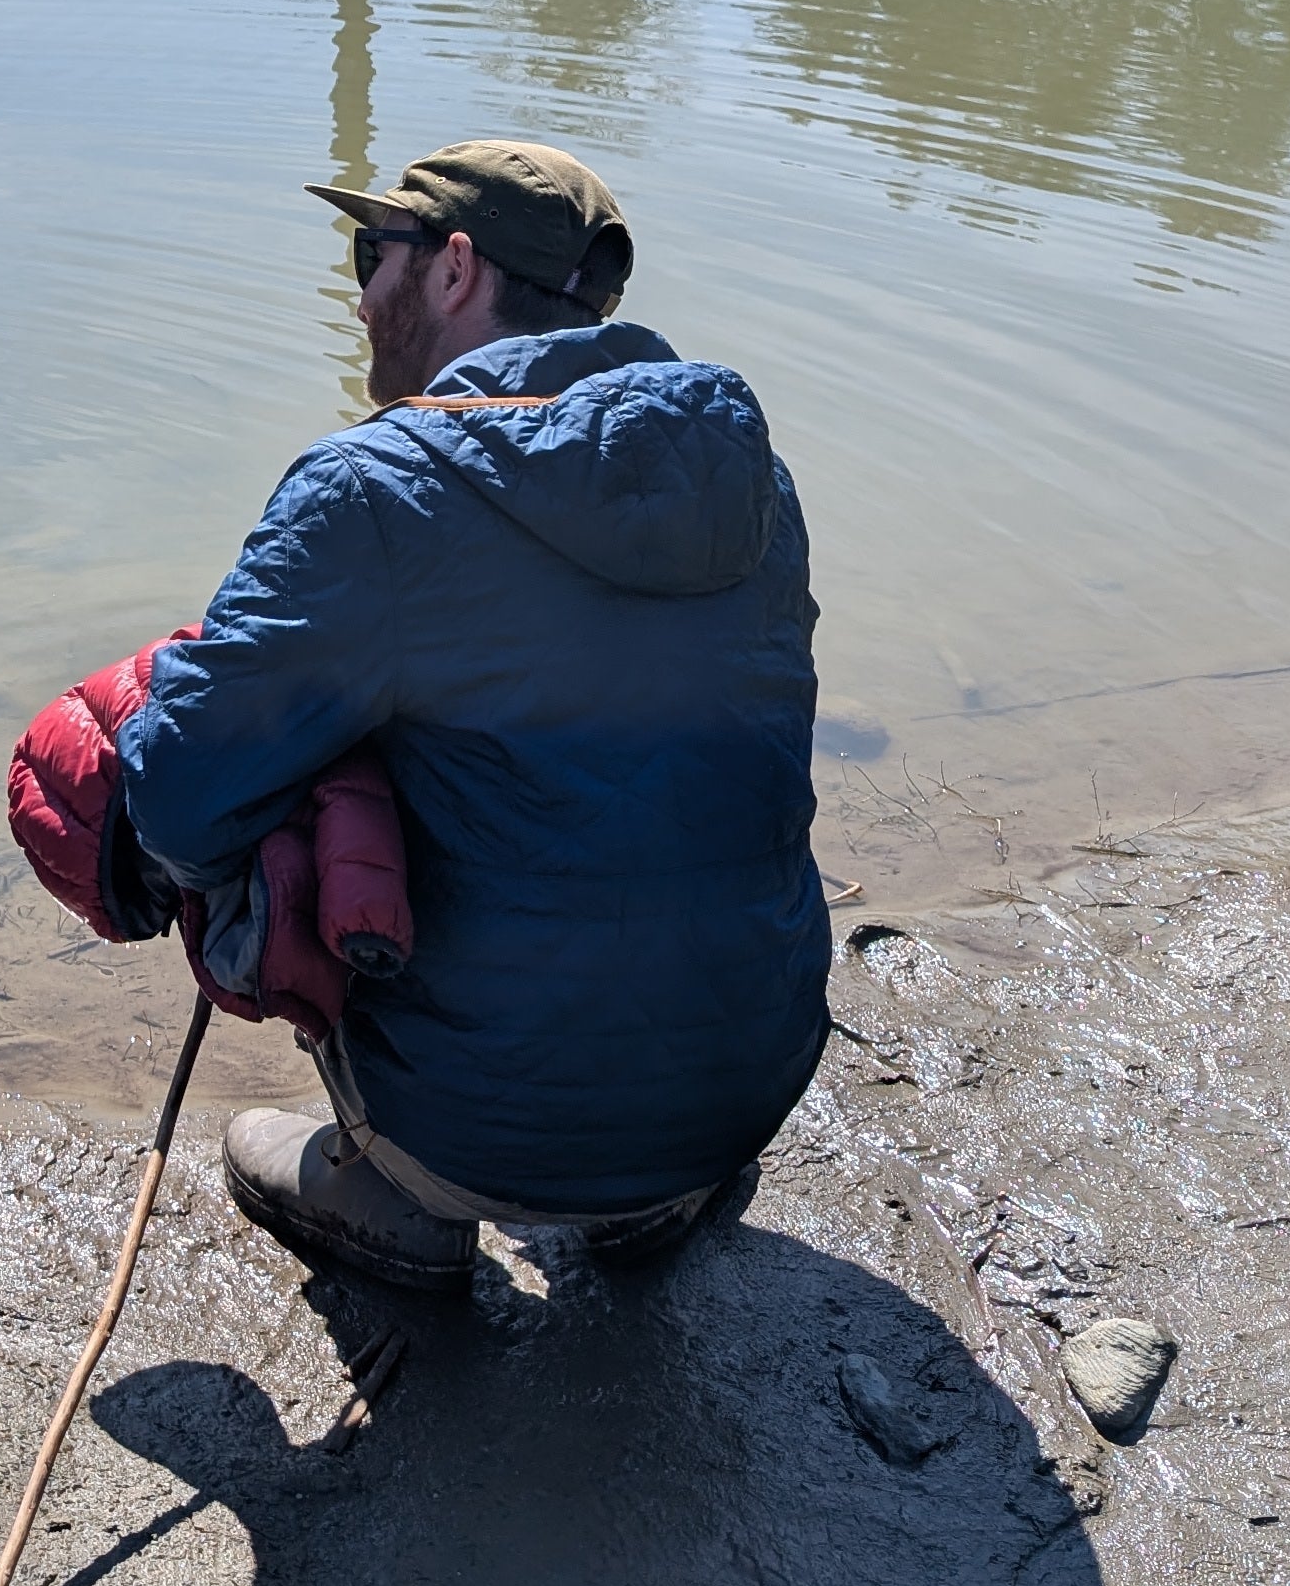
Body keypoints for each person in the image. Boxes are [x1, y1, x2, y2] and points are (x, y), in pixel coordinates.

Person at [115, 141, 828, 1291]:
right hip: (751, 1090)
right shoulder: (753, 477)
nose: (358, 295)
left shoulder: (370, 490)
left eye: (371, 254)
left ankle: (397, 1184)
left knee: (194, 755)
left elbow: (179, 802)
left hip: (483, 1131)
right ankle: (657, 1186)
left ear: (453, 271)